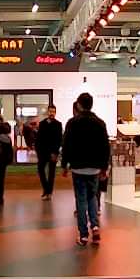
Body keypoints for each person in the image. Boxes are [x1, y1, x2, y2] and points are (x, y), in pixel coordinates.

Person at [61, 93, 110, 247]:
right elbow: (105, 147)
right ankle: (95, 226)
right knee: (92, 198)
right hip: (94, 168)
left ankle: (83, 235)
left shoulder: (72, 123)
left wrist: (64, 165)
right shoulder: (100, 123)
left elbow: (66, 145)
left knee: (81, 200)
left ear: (79, 105)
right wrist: (104, 167)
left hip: (78, 167)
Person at [35, 105, 63, 201]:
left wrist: (55, 152)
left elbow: (59, 140)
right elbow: (39, 139)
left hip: (53, 152)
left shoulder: (58, 124)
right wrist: (38, 151)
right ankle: (46, 189)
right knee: (40, 169)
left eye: (53, 112)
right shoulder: (42, 124)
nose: (52, 113)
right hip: (42, 152)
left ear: (55, 113)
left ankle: (49, 192)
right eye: (50, 111)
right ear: (48, 112)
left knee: (51, 173)